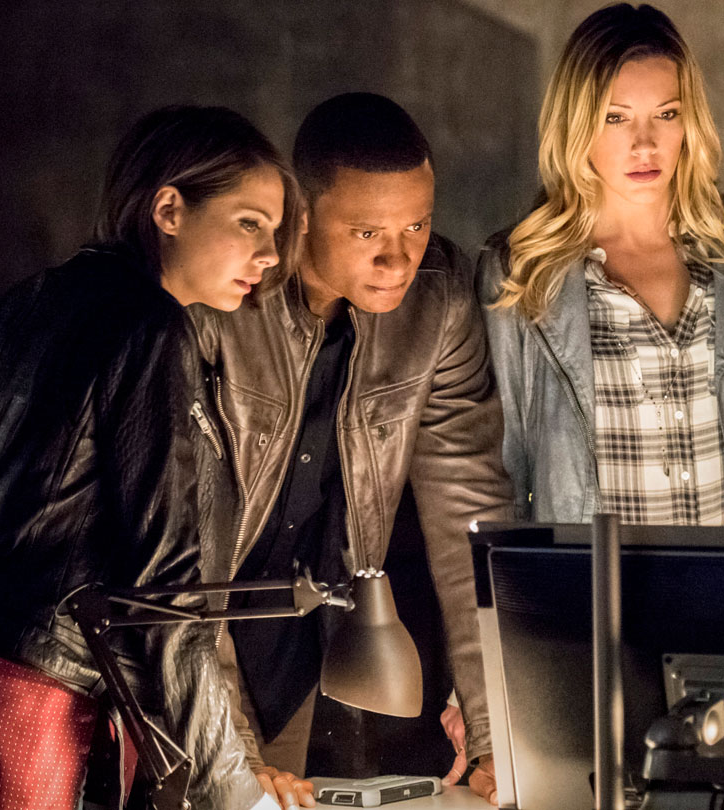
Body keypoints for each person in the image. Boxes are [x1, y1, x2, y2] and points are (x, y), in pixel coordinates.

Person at [0, 105, 302, 810]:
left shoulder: (8, 311)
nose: (271, 255)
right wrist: (231, 789)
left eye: (274, 232)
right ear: (169, 209)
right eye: (250, 223)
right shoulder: (149, 327)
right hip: (27, 705)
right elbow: (166, 591)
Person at [188, 92, 511, 808]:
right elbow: (180, 556)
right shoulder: (221, 301)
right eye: (367, 231)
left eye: (416, 226)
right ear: (300, 214)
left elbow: (469, 509)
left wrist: (499, 735)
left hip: (335, 652)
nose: (399, 258)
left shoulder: (439, 300)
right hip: (202, 656)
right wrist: (231, 753)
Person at [478, 3, 724, 528]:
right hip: (592, 578)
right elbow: (502, 474)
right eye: (615, 117)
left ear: (690, 122)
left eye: (666, 114)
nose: (644, 144)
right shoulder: (519, 269)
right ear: (577, 125)